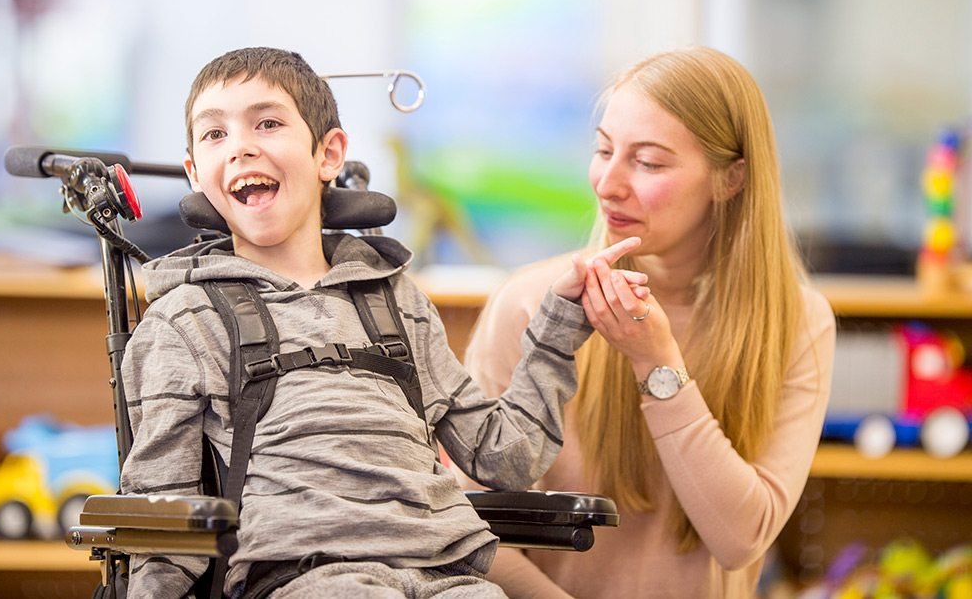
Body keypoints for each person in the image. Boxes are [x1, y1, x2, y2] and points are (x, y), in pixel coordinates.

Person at [117, 46, 640, 598]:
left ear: (329, 153)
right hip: (307, 575)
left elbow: (504, 456)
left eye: (267, 123)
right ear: (197, 174)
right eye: (215, 134)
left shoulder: (396, 302)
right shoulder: (183, 320)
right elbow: (161, 521)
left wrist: (559, 326)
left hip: (447, 572)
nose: (242, 146)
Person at [461, 46, 836, 598]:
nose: (608, 183)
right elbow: (466, 527)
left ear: (731, 179)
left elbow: (740, 538)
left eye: (649, 162)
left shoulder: (798, 323)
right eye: (603, 150)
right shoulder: (528, 304)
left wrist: (657, 363)